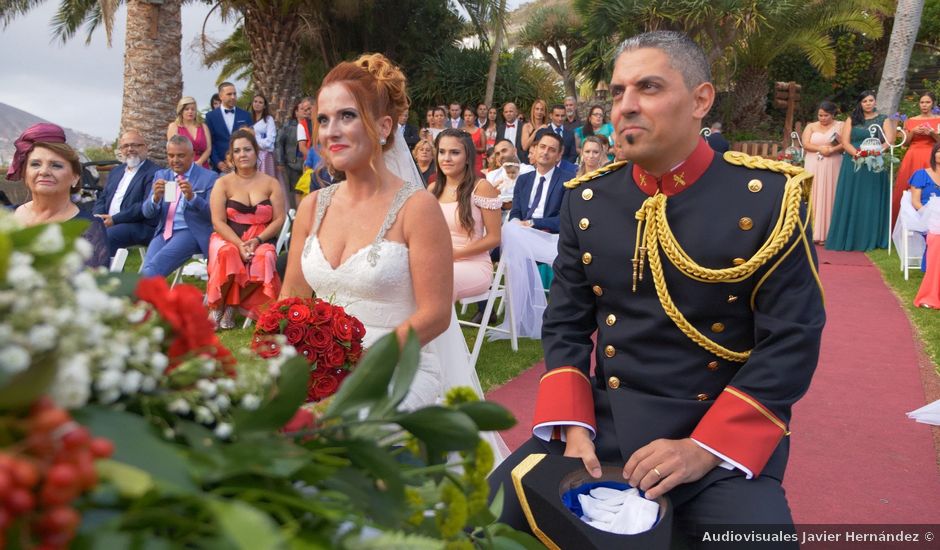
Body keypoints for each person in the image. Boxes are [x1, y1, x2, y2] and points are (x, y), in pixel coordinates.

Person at [488, 31, 825, 546]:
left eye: (648, 87)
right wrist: (574, 427)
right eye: (618, 91)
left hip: (717, 434)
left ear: (701, 100)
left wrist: (702, 449)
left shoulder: (770, 200)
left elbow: (793, 339)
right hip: (604, 426)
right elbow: (566, 322)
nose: (626, 106)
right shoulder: (589, 200)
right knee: (486, 520)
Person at [278, 52, 507, 447]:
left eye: (347, 116)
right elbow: (292, 299)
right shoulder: (312, 208)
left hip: (399, 365)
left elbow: (435, 315)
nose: (331, 130)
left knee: (345, 436)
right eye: (323, 119)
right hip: (322, 365)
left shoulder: (417, 209)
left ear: (384, 127)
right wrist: (285, 361)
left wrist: (362, 362)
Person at [207, 128, 285, 329]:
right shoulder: (222, 183)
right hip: (228, 236)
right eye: (237, 151)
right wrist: (240, 244)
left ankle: (232, 308)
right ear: (232, 156)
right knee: (228, 254)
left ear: (256, 152)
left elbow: (279, 219)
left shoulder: (271, 183)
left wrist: (258, 241)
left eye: (247, 150)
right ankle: (217, 308)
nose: (243, 155)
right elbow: (218, 221)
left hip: (260, 238)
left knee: (264, 258)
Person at [9, 123, 108, 267]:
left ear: (75, 177)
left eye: (56, 165)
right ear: (24, 173)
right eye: (35, 164)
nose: (44, 172)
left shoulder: (88, 228)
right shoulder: (7, 217)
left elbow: (92, 284)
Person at [430, 129, 502, 300]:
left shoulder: (482, 187)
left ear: (468, 157)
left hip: (473, 265)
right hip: (438, 262)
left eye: (454, 152)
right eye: (442, 152)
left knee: (434, 281)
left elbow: (494, 237)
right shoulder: (432, 189)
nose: (446, 158)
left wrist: (455, 254)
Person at [826, 90, 896, 251]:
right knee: (851, 196)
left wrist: (876, 152)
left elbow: (889, 140)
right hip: (853, 162)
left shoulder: (883, 119)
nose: (868, 103)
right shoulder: (852, 119)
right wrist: (858, 154)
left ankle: (872, 236)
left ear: (875, 102)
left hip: (875, 162)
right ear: (860, 103)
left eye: (871, 100)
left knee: (870, 197)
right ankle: (848, 236)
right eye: (865, 101)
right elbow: (845, 141)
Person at [140, 135, 218, 277]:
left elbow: (213, 215)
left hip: (190, 232)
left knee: (155, 266)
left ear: (192, 155)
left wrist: (193, 198)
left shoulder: (208, 178)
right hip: (164, 232)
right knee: (147, 267)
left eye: (180, 156)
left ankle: (132, 295)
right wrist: (155, 199)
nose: (175, 160)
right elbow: (146, 213)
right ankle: (145, 296)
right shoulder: (162, 175)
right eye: (171, 156)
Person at [92, 130, 160, 257]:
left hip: (140, 226)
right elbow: (103, 197)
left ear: (145, 147)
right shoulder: (116, 171)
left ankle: (113, 276)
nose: (130, 149)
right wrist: (98, 216)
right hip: (109, 222)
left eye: (135, 145)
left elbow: (144, 205)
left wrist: (114, 219)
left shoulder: (155, 172)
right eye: (126, 146)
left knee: (107, 237)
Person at [508, 130, 575, 234]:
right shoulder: (523, 179)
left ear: (558, 156)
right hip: (522, 232)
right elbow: (515, 211)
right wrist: (516, 223)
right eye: (542, 147)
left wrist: (533, 223)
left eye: (551, 150)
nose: (545, 152)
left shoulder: (568, 180)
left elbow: (566, 219)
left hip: (550, 235)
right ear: (535, 150)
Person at [893, 92, 940, 225]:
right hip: (913, 155)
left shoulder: (938, 119)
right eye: (922, 102)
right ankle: (903, 224)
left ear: (933, 104)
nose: (924, 105)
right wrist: (913, 132)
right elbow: (905, 143)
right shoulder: (911, 121)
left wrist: (932, 133)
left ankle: (933, 223)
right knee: (908, 187)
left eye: (927, 102)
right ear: (919, 104)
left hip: (932, 154)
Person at [801, 101, 844, 243]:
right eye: (820, 115)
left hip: (833, 162)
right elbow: (805, 144)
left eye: (826, 115)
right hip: (814, 162)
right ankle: (812, 231)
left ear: (832, 114)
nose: (823, 118)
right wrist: (820, 149)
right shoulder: (810, 126)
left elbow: (845, 143)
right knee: (814, 193)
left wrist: (831, 149)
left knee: (831, 193)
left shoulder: (841, 125)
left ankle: (829, 233)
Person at [912, 142, 940, 306]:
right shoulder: (921, 174)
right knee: (936, 238)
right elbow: (915, 202)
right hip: (925, 216)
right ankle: (931, 291)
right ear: (934, 154)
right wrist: (930, 215)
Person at [205, 82, 253, 173]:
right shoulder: (210, 117)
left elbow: (251, 140)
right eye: (229, 94)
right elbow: (210, 143)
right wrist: (218, 162)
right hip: (221, 167)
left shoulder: (246, 115)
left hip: (243, 165)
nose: (233, 97)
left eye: (234, 94)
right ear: (220, 96)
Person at [275, 99, 309, 210]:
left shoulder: (312, 124)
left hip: (308, 162)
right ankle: (299, 215)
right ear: (296, 112)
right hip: (294, 163)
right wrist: (280, 161)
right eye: (302, 109)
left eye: (307, 109)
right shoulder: (288, 126)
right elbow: (279, 142)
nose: (305, 111)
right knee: (297, 190)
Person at [166, 96, 212, 168]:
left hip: (202, 166)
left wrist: (199, 162)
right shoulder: (174, 126)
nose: (190, 111)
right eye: (187, 109)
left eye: (193, 109)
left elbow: (209, 148)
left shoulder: (203, 126)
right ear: (181, 111)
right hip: (181, 166)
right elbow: (173, 150)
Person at [250, 93, 278, 177]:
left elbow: (269, 143)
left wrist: (254, 140)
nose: (257, 104)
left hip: (265, 157)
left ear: (265, 106)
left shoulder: (269, 119)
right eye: (255, 101)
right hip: (250, 155)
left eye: (260, 102)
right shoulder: (248, 118)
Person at [462, 107, 486, 176]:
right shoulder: (460, 131)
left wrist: (473, 148)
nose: (467, 118)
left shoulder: (480, 131)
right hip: (463, 161)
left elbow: (484, 149)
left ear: (475, 117)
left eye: (470, 115)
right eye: (465, 115)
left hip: (477, 161)